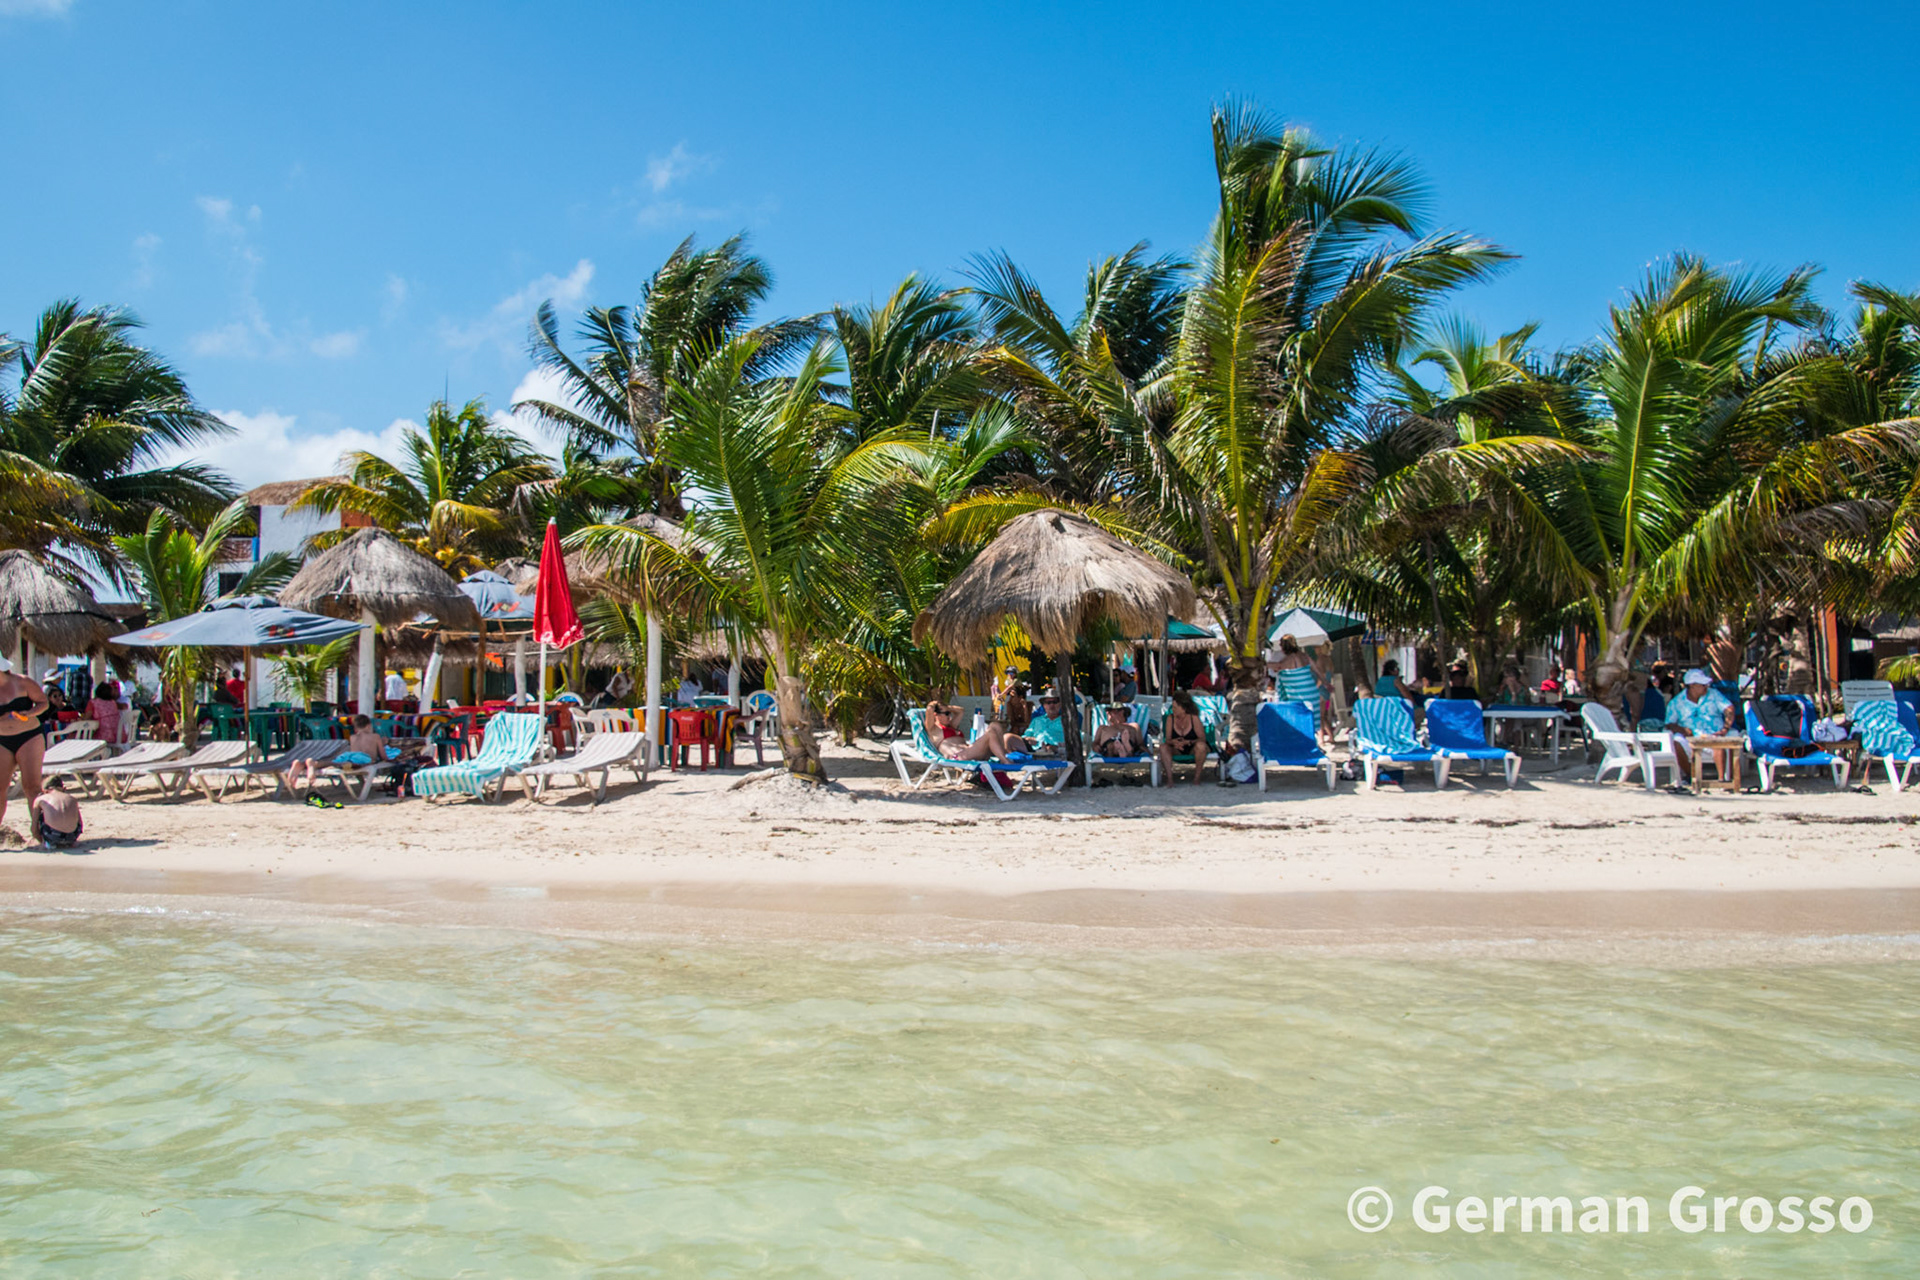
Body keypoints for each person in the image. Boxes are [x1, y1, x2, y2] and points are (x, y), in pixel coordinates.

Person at [0, 656, 51, 833]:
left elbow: (43, 703)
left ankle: (39, 830)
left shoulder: (22, 682)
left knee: (32, 787)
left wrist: (29, 713)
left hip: (29, 736)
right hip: (2, 739)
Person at [1664, 668, 1735, 782]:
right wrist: (1682, 730)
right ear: (1691, 686)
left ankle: (1722, 780)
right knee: (1676, 743)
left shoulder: (1713, 694)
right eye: (1702, 685)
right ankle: (1691, 775)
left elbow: (1729, 709)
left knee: (1719, 744)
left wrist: (1725, 729)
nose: (1706, 686)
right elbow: (1669, 723)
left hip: (1713, 734)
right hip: (1690, 737)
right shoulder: (1677, 702)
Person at [924, 699, 1028, 763]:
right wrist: (936, 704)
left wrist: (946, 708)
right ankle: (1005, 761)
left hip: (970, 751)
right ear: (936, 715)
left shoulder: (951, 726)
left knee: (995, 725)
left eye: (949, 713)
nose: (949, 716)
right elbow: (929, 709)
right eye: (946, 714)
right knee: (990, 733)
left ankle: (1002, 756)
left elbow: (961, 711)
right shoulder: (934, 729)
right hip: (958, 756)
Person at [1157, 691, 1209, 784]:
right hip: (1176, 748)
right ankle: (1170, 779)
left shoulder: (1193, 718)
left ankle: (1197, 778)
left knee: (1201, 746)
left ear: (1183, 708)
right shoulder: (1170, 718)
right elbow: (1167, 739)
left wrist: (1188, 742)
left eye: (1175, 707)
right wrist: (1174, 742)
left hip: (1192, 747)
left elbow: (1202, 738)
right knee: (1163, 747)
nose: (1173, 709)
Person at [1271, 635, 1323, 704]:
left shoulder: (1290, 657)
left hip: (1296, 694)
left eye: (1281, 644)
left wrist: (1265, 664)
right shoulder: (1304, 656)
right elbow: (1317, 670)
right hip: (1309, 692)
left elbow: (1278, 667)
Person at [31, 780, 82, 850]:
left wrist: (40, 839)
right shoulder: (73, 799)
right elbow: (80, 823)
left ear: (46, 790)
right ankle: (70, 843)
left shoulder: (41, 799)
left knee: (42, 814)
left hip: (52, 836)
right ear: (63, 788)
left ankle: (47, 843)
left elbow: (33, 828)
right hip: (72, 836)